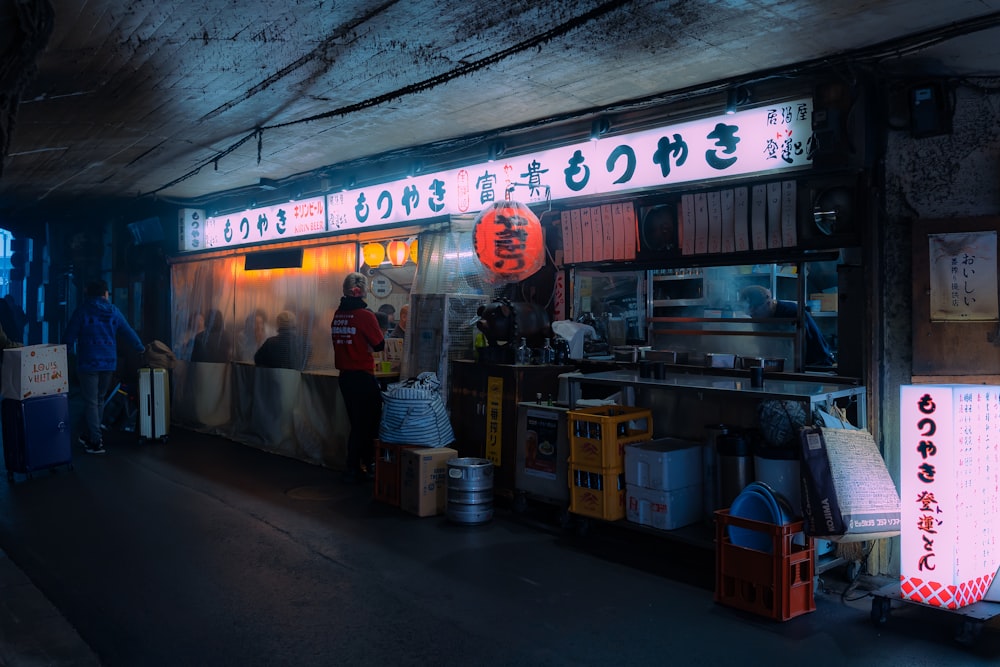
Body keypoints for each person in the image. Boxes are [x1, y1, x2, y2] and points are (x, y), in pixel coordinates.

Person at [63, 279, 145, 454]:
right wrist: (140, 347)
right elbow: (127, 331)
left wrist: (62, 351)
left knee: (91, 401)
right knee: (99, 399)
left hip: (88, 362)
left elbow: (70, 335)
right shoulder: (113, 311)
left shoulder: (82, 311)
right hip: (108, 362)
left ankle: (96, 440)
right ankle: (92, 435)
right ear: (105, 293)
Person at [332, 272, 385, 482]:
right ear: (363, 291)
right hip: (362, 376)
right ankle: (359, 465)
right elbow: (380, 344)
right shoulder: (365, 315)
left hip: (345, 377)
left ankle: (356, 465)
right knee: (369, 423)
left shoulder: (338, 314)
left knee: (357, 422)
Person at [739, 285, 835, 367]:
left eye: (755, 311)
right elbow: (763, 346)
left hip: (814, 365)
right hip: (784, 365)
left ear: (768, 303)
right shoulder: (758, 317)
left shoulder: (791, 313)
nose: (751, 315)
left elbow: (793, 351)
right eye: (748, 311)